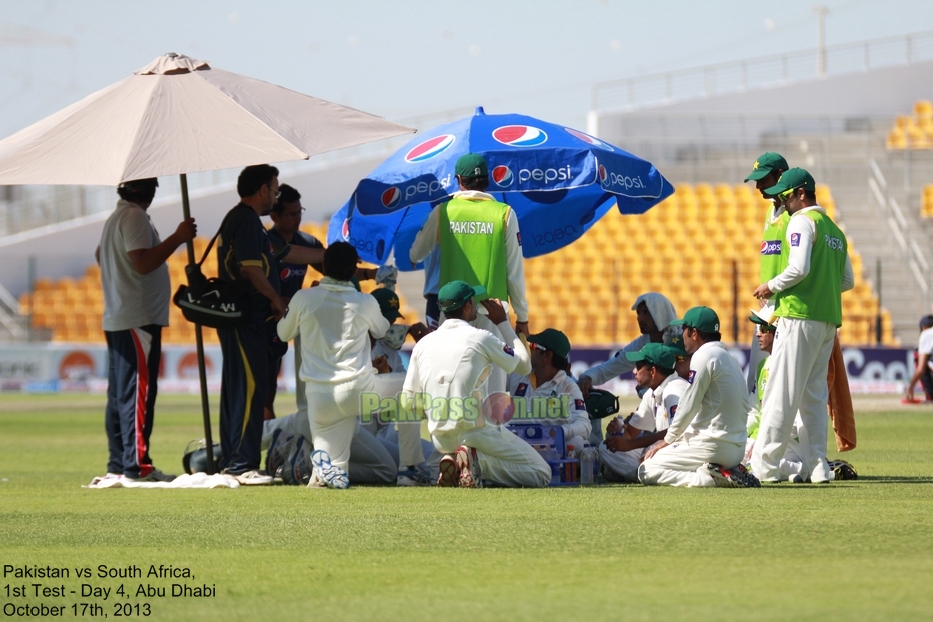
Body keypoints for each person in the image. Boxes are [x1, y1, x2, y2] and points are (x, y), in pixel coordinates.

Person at [215, 165, 325, 485]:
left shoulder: (240, 219)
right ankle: (241, 464)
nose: (275, 196)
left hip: (243, 317)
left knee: (243, 389)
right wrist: (276, 299)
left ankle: (234, 459)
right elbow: (251, 269)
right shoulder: (248, 221)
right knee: (251, 390)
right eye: (274, 190)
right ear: (263, 190)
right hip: (248, 316)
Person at [751, 168, 855, 483]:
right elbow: (847, 281)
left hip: (797, 317)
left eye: (787, 194)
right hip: (827, 322)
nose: (782, 199)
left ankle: (764, 467)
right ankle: (818, 467)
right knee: (812, 396)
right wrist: (821, 288)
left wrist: (771, 285)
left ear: (801, 194)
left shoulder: (801, 221)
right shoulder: (835, 230)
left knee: (781, 394)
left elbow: (798, 268)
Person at [403, 280, 550, 488]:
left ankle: (457, 461)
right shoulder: (481, 337)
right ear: (467, 306)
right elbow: (525, 366)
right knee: (542, 473)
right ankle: (477, 463)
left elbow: (409, 402)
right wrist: (502, 322)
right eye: (473, 300)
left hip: (440, 439)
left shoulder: (422, 344)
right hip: (476, 433)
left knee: (476, 446)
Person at [96, 178, 196, 482]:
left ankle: (120, 462)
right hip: (137, 317)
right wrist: (178, 238)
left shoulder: (117, 217)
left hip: (121, 315)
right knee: (138, 393)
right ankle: (137, 465)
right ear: (146, 191)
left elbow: (101, 255)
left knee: (121, 395)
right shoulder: (134, 216)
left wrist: (118, 279)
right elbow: (140, 263)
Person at [276, 241, 395, 489]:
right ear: (354, 270)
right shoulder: (364, 302)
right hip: (357, 390)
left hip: (318, 396)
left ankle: (314, 471)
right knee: (414, 386)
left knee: (329, 471)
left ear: (324, 266)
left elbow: (282, 332)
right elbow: (382, 329)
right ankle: (415, 465)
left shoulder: (303, 298)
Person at [409, 153, 530, 339]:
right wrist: (522, 317)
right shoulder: (504, 213)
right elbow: (514, 270)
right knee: (494, 366)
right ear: (486, 180)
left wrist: (414, 258)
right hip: (493, 313)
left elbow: (417, 252)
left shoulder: (443, 211)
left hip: (452, 312)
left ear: (459, 179)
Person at [638, 307, 759, 488]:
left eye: (684, 329)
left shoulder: (703, 355)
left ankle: (710, 478)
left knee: (646, 469)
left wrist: (668, 440)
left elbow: (689, 403)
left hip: (712, 446)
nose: (682, 335)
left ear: (694, 333)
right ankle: (724, 470)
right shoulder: (729, 358)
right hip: (735, 449)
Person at [265, 184, 324, 421]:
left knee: (311, 389)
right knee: (266, 391)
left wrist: (368, 275)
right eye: (291, 214)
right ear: (274, 216)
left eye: (300, 212)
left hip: (295, 324)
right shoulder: (266, 243)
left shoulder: (308, 242)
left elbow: (335, 270)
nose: (298, 218)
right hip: (266, 324)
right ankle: (261, 448)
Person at [599, 343, 688, 483]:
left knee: (648, 453)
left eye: (638, 366)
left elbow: (679, 431)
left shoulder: (675, 390)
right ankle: (644, 473)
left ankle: (643, 473)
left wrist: (632, 445)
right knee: (606, 447)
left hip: (684, 447)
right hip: (665, 448)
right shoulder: (652, 392)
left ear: (652, 371)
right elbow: (630, 435)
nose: (634, 371)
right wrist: (620, 430)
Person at [744, 152, 789, 393]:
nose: (758, 186)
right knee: (755, 380)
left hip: (785, 310)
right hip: (766, 310)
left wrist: (774, 287)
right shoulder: (769, 212)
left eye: (763, 179)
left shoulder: (795, 216)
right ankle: (755, 430)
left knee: (780, 385)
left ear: (780, 175)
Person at [577, 293, 679, 398]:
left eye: (646, 312)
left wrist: (649, 390)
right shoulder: (642, 343)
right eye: (638, 313)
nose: (640, 318)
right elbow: (610, 367)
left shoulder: (683, 339)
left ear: (661, 313)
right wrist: (588, 376)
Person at [506, 328, 591, 451]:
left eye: (533, 346)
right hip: (517, 442)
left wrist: (558, 432)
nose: (528, 349)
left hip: (549, 446)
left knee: (578, 443)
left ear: (547, 356)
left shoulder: (567, 386)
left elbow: (584, 425)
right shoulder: (518, 373)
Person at [905, 314, 933, 402]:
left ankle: (931, 397)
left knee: (922, 362)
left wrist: (911, 387)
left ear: (923, 327)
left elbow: (920, 369)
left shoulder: (926, 334)